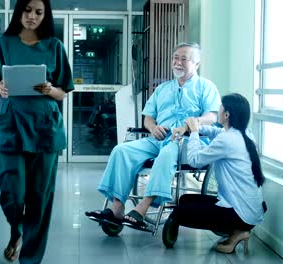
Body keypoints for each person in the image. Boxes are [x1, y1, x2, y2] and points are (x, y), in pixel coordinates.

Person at [85, 42, 221, 231]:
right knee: (121, 150)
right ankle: (116, 208)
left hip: (188, 142)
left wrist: (190, 125)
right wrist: (153, 127)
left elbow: (212, 117)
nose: (178, 62)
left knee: (167, 152)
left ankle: (141, 209)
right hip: (158, 139)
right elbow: (148, 118)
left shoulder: (206, 87)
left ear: (196, 64)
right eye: (175, 57)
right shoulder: (163, 88)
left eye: (184, 58)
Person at [0, 0, 73, 262]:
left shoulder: (54, 47)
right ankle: (16, 229)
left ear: (45, 16)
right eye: (27, 10)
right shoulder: (1, 44)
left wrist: (49, 89)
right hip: (12, 126)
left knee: (39, 198)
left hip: (45, 129)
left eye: (38, 12)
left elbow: (63, 91)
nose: (32, 16)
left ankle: (31, 258)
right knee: (12, 193)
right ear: (18, 11)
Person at [164, 93, 266, 254]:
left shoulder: (227, 140)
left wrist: (194, 133)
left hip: (239, 214)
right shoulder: (245, 133)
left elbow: (194, 160)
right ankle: (239, 231)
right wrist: (192, 127)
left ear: (226, 115)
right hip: (251, 211)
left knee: (180, 211)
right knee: (185, 199)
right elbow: (214, 131)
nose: (217, 110)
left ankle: (237, 231)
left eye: (220, 107)